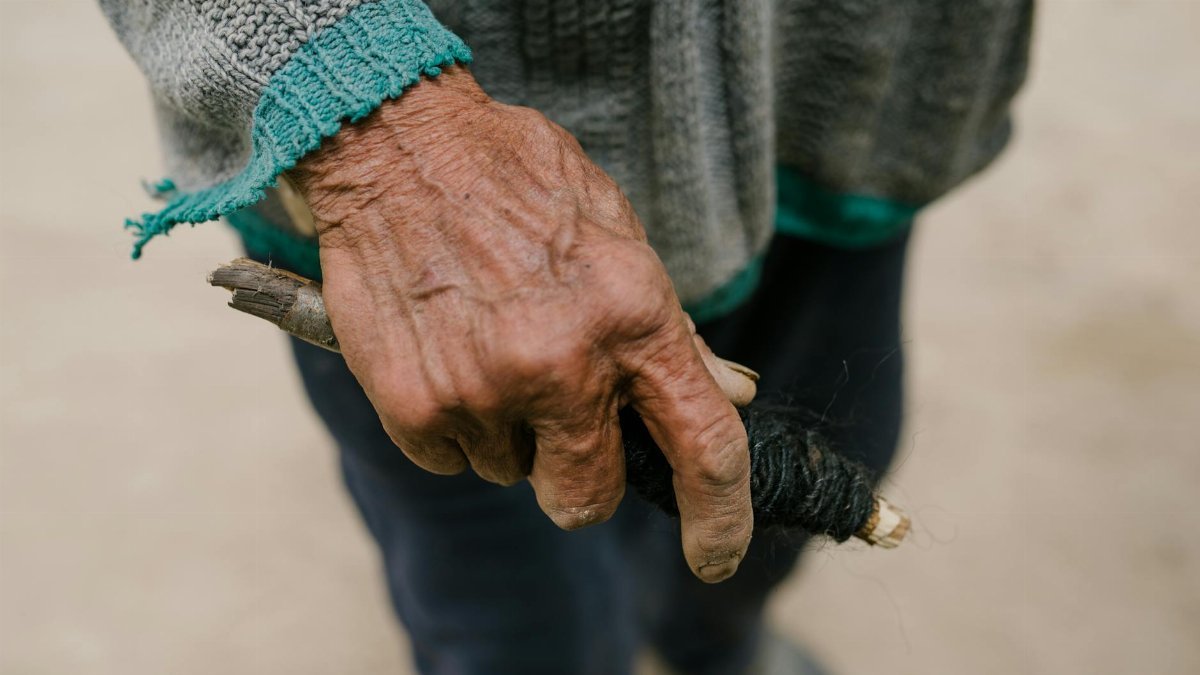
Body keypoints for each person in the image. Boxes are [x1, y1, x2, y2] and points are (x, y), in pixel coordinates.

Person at [102, 1, 1032, 672]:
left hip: (857, 111)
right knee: (520, 631)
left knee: (798, 498)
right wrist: (379, 129)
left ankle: (712, 645)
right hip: (451, 232)